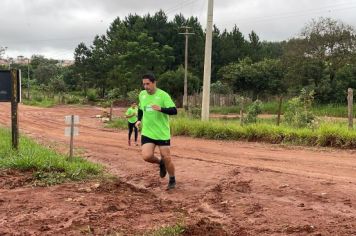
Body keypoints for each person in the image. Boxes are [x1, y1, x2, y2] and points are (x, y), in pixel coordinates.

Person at [135, 74, 178, 190]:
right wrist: (139, 120)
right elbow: (140, 109)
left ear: (154, 83)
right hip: (148, 132)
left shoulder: (163, 95)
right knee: (147, 156)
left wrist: (161, 109)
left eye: (148, 84)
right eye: (144, 84)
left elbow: (174, 111)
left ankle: (172, 179)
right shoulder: (142, 95)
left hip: (161, 133)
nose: (145, 86)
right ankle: (160, 163)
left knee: (167, 157)